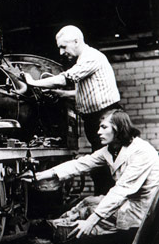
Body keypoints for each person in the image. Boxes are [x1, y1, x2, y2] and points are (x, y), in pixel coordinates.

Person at [21, 109, 159, 244]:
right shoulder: (111, 149)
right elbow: (81, 164)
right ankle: (56, 225)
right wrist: (38, 176)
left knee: (80, 236)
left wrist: (90, 222)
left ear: (117, 129)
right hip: (127, 204)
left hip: (143, 212)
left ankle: (63, 232)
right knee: (87, 203)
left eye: (104, 127)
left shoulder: (141, 151)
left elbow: (121, 190)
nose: (98, 132)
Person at [23, 25, 121, 195]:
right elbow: (86, 93)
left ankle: (107, 203)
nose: (61, 52)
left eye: (63, 46)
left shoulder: (91, 57)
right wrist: (60, 94)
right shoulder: (85, 59)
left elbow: (65, 79)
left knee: (105, 167)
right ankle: (104, 201)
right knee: (101, 167)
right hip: (97, 118)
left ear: (76, 41)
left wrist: (33, 83)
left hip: (106, 117)